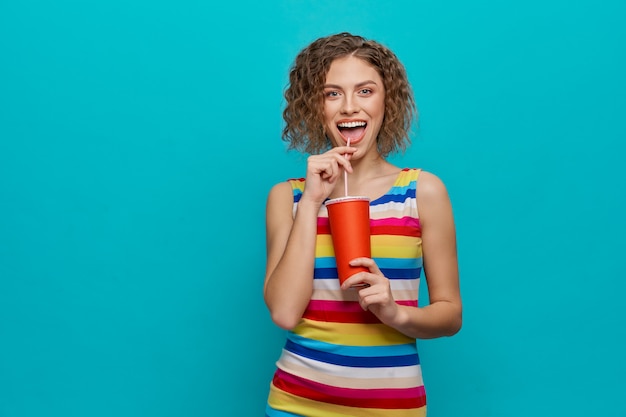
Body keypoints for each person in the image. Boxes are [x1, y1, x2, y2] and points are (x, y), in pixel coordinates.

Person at [263, 32, 462, 417]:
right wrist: (312, 204)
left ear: (388, 100)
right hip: (295, 405)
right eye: (331, 93)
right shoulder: (286, 198)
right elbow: (285, 313)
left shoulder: (422, 192)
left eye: (365, 91)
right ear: (314, 105)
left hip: (393, 408)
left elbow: (450, 314)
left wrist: (396, 312)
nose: (349, 107)